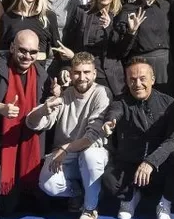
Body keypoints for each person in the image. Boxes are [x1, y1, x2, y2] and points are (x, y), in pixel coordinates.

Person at [0, 29, 56, 219]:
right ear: (11, 48)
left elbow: (47, 105)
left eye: (33, 52)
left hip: (22, 135)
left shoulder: (41, 75)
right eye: (22, 50)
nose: (27, 56)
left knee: (9, 207)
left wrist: (55, 94)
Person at [101, 59, 174, 219]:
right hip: (130, 167)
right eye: (132, 80)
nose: (137, 84)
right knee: (108, 180)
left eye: (142, 78)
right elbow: (114, 112)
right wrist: (110, 121)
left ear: (152, 80)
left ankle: (165, 201)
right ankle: (130, 197)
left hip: (157, 167)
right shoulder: (120, 101)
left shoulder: (168, 103)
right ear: (127, 81)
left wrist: (151, 162)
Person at [28, 52, 112, 219]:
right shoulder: (65, 95)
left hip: (89, 151)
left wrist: (66, 148)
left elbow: (91, 137)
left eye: (87, 72)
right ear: (71, 73)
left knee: (91, 156)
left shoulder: (102, 93)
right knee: (48, 184)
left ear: (94, 74)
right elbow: (32, 122)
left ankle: (90, 208)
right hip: (66, 156)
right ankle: (78, 193)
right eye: (77, 72)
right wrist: (44, 110)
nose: (82, 77)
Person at [114, 0, 171, 91]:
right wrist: (131, 31)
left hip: (165, 66)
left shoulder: (166, 7)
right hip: (140, 65)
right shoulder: (129, 10)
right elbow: (120, 49)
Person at [68, 0, 127, 96]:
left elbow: (122, 49)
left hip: (108, 77)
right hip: (84, 75)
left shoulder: (120, 15)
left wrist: (109, 27)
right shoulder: (82, 12)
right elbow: (71, 42)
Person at [1, 0, 62, 65]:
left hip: (39, 74)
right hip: (12, 72)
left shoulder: (49, 17)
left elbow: (57, 50)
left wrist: (66, 66)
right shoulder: (8, 17)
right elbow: (2, 51)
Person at [43, 0, 81, 68]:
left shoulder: (72, 2)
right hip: (37, 59)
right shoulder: (38, 0)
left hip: (61, 61)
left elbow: (77, 36)